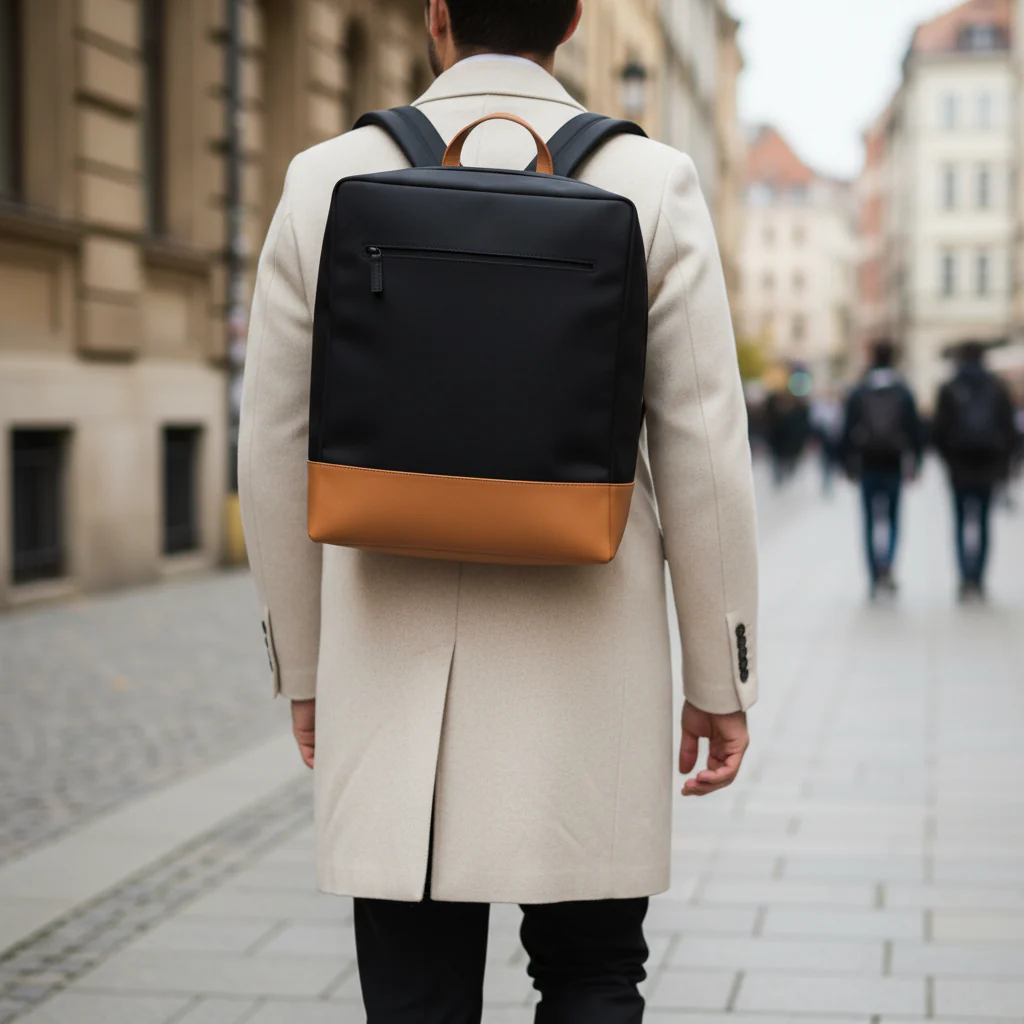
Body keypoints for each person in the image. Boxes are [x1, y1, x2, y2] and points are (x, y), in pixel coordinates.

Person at [238, 1, 759, 1020]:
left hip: (389, 648)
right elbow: (701, 447)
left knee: (415, 987)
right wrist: (716, 673)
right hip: (588, 645)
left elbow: (271, 441)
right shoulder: (650, 182)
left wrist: (304, 668)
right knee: (592, 973)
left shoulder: (325, 177)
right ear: (569, 19)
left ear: (435, 16)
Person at [932, 342, 1018, 600]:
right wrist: (1005, 466)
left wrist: (948, 461)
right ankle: (979, 578)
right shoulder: (997, 387)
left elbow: (938, 432)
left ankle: (964, 577)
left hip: (959, 467)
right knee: (983, 522)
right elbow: (1010, 431)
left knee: (960, 523)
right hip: (988, 466)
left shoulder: (949, 388)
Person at [840, 341, 923, 596]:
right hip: (893, 463)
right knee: (893, 519)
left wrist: (847, 463)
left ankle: (874, 572)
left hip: (867, 462)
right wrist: (915, 463)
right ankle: (888, 563)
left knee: (868, 521)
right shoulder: (903, 390)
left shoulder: (860, 390)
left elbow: (846, 429)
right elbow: (915, 430)